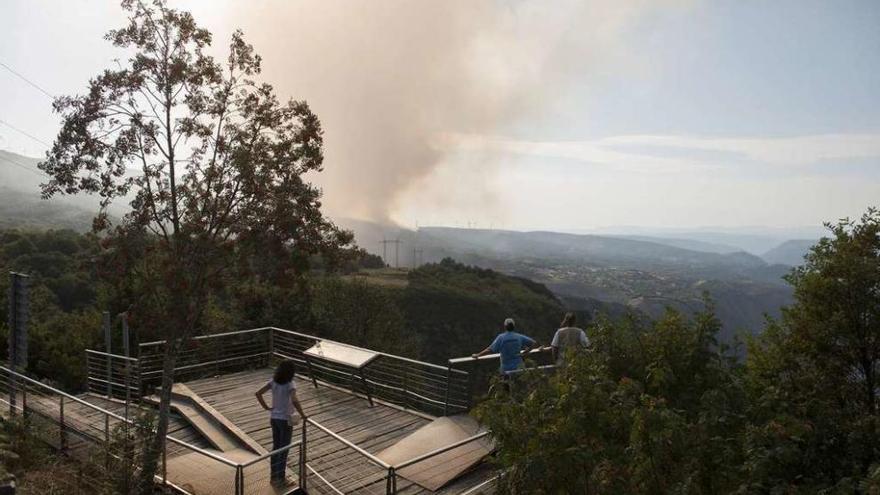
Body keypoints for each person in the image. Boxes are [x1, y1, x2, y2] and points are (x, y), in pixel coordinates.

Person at [255, 360, 307, 487]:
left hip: (274, 418)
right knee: (284, 450)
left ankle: (274, 477)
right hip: (285, 419)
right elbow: (294, 400)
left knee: (276, 448)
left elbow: (258, 393)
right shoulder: (290, 384)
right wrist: (303, 414)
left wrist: (267, 407)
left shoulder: (273, 382)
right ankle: (281, 479)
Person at [472, 318, 537, 374]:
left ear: (505, 326)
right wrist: (526, 351)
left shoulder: (501, 338)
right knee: (519, 386)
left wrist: (478, 355)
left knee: (506, 386)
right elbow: (533, 343)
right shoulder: (518, 336)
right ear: (514, 326)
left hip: (506, 368)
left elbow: (490, 350)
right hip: (519, 367)